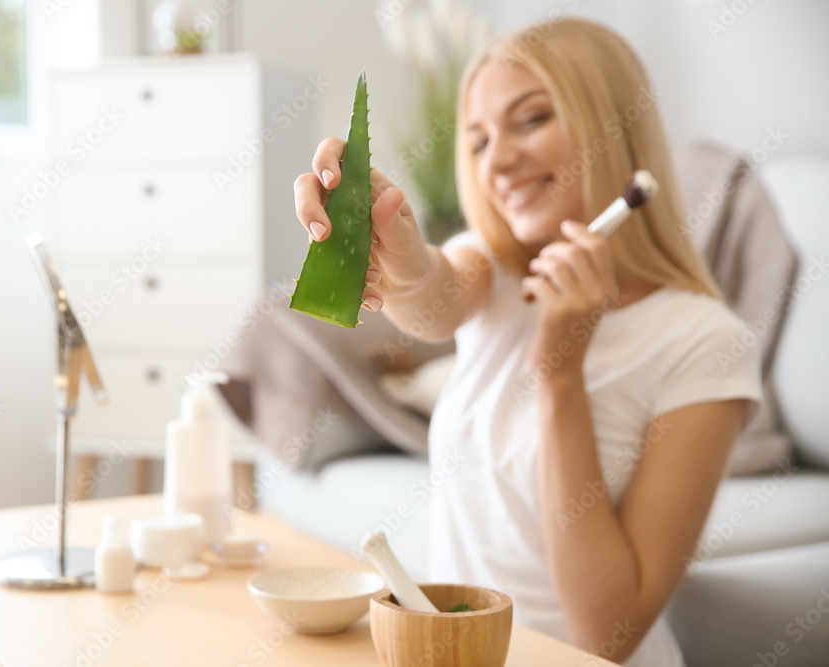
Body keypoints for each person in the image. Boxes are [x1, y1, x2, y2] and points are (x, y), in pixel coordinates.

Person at [293, 16, 762, 667]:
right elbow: (434, 297)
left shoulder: (707, 344)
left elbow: (610, 634)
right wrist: (393, 239)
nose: (500, 161)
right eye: (479, 140)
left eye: (532, 119)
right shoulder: (494, 266)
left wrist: (560, 372)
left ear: (615, 127)